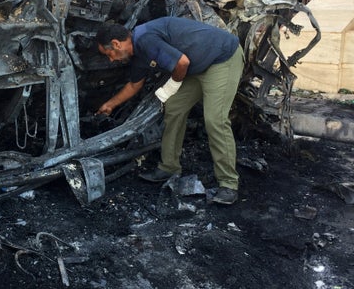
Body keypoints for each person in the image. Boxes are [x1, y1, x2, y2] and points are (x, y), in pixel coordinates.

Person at [95, 17, 244, 205]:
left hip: (223, 59)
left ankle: (229, 184)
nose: (111, 60)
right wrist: (109, 105)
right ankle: (169, 167)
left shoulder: (144, 39)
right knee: (174, 108)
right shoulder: (138, 52)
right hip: (199, 66)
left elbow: (181, 63)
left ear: (116, 44)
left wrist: (171, 87)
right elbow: (134, 85)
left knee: (215, 119)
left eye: (109, 54)